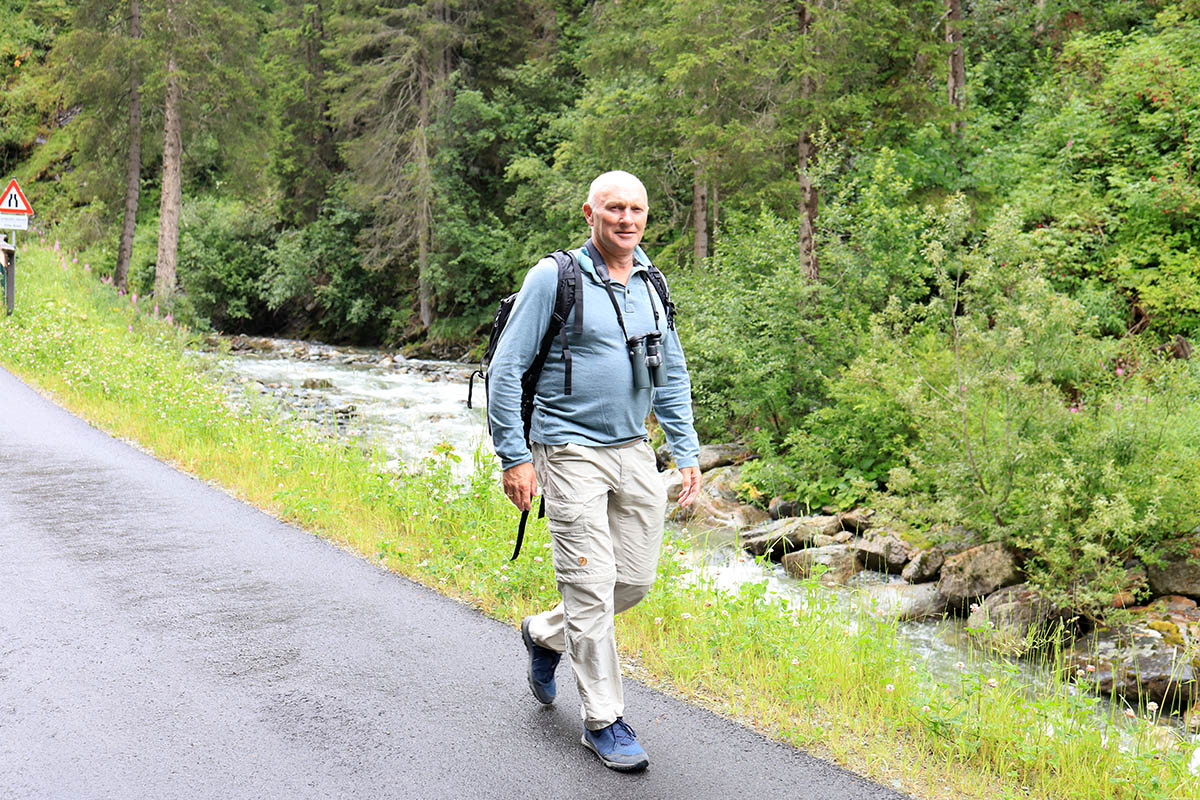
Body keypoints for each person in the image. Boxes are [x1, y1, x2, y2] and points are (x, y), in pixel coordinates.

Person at [487, 170, 702, 772]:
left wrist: (684, 448)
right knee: (589, 585)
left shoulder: (652, 283)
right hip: (566, 448)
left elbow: (672, 372)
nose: (626, 219)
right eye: (614, 209)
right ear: (590, 213)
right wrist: (514, 456)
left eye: (636, 209)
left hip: (634, 448)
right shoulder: (552, 279)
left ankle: (543, 635)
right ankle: (604, 721)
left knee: (631, 581)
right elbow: (507, 370)